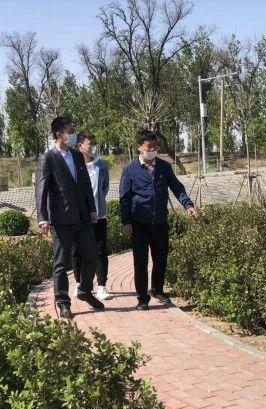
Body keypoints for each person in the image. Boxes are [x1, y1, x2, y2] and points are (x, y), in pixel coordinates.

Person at [35, 116, 104, 319]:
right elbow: (41, 189)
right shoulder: (48, 158)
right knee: (61, 263)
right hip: (61, 219)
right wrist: (43, 218)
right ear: (59, 133)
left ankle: (85, 290)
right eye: (70, 131)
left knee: (92, 254)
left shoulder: (76, 155)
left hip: (82, 217)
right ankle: (63, 302)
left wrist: (92, 209)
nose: (73, 134)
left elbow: (84, 184)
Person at [119, 130, 197, 310]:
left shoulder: (164, 167)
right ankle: (142, 298)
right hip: (139, 222)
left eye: (154, 146)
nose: (152, 149)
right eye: (149, 146)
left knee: (160, 258)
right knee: (141, 261)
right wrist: (126, 222)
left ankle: (157, 290)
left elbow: (177, 187)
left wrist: (188, 205)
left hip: (160, 221)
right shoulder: (129, 170)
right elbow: (124, 198)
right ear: (139, 147)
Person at [72, 132, 113, 300]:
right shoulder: (73, 165)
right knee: (78, 252)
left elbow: (104, 188)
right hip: (78, 217)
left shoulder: (101, 166)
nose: (93, 147)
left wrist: (96, 205)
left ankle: (102, 286)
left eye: (94, 143)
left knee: (101, 251)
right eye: (90, 144)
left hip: (99, 216)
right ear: (80, 146)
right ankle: (79, 284)